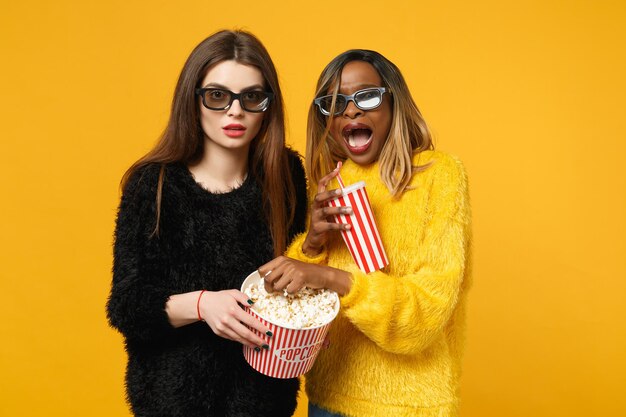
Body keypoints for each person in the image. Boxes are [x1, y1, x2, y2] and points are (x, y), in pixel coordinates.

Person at [259, 49, 472, 417]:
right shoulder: (331, 182)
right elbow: (302, 312)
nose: (351, 111)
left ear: (393, 102)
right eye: (335, 103)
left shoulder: (439, 177)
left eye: (367, 97)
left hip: (407, 405)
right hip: (328, 398)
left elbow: (424, 316)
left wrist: (331, 276)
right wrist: (311, 246)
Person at [106, 30, 308, 417]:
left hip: (264, 401)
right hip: (172, 401)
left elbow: (293, 278)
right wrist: (202, 304)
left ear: (268, 105)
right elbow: (126, 306)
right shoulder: (154, 184)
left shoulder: (286, 174)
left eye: (251, 96)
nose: (235, 111)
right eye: (217, 96)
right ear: (192, 100)